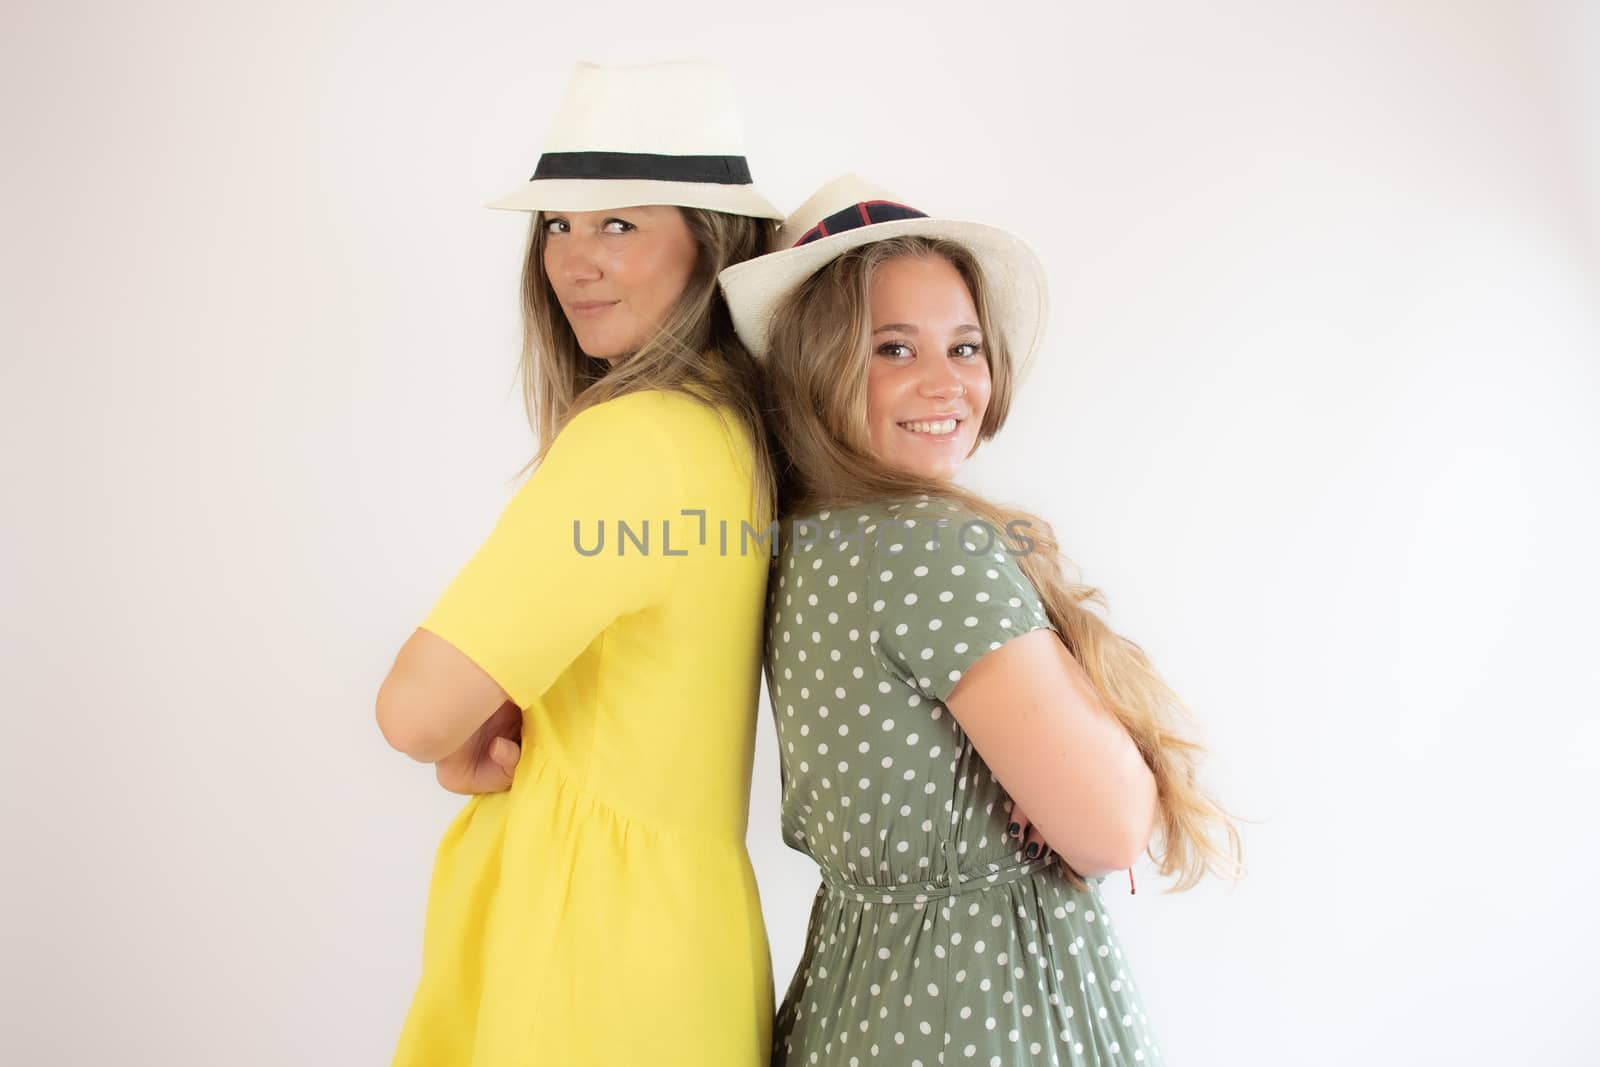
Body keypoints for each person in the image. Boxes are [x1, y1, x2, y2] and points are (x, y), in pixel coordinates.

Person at [718, 175, 1242, 1066]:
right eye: (892, 348)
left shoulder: (803, 542)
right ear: (817, 365)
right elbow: (1111, 827)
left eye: (965, 346)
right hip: (986, 1009)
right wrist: (1091, 750)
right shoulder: (932, 548)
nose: (944, 382)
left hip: (858, 1006)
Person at [375, 61, 784, 1066]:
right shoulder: (738, 438)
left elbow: (414, 709)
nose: (573, 261)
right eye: (558, 224)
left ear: (711, 240)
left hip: (586, 954)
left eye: (618, 224)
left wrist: (459, 735)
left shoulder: (631, 442)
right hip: (692, 944)